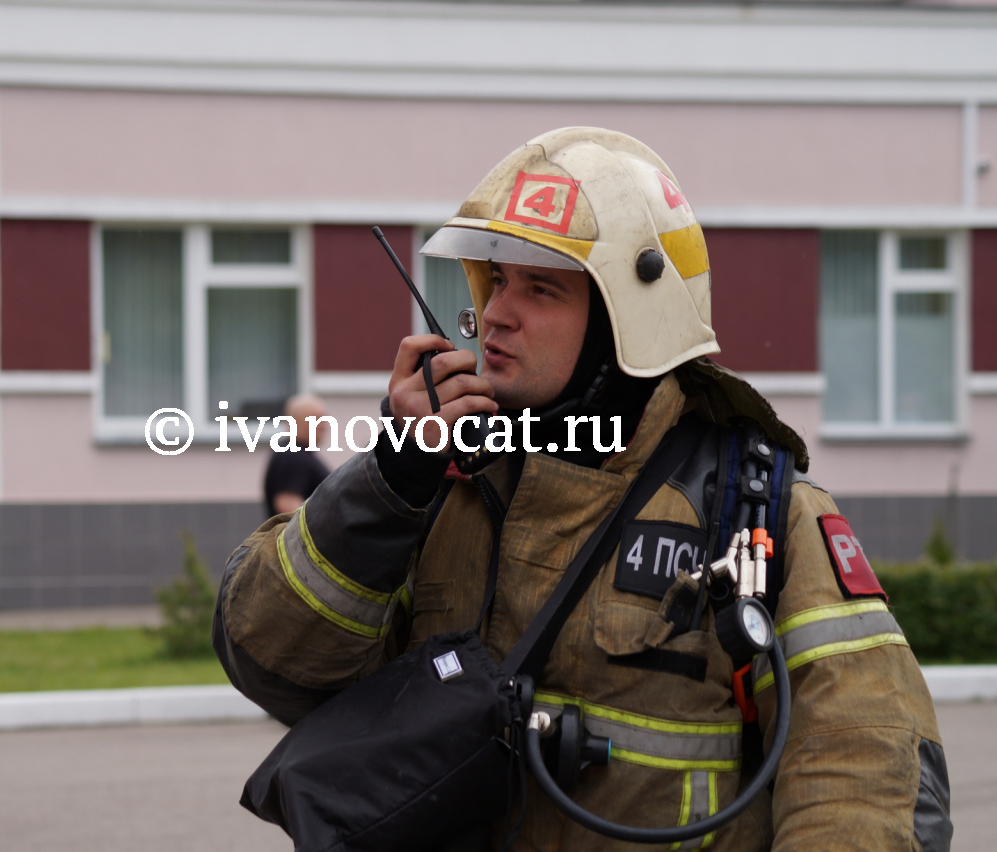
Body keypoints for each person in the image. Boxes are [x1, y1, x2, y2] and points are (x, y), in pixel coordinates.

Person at [213, 128, 951, 851]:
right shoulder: (444, 486)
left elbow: (863, 772)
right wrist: (390, 481)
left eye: (541, 288)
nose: (497, 312)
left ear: (626, 320)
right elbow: (272, 665)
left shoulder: (764, 513)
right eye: (498, 279)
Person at [262, 394, 332, 517]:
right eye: (317, 419)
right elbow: (288, 508)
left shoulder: (298, 454)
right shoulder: (291, 457)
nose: (323, 425)